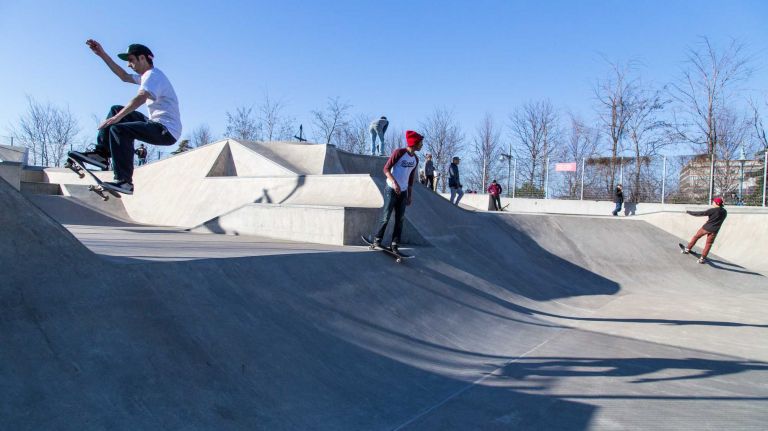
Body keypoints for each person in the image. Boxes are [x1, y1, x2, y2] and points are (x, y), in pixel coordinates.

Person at [70, 40, 182, 194]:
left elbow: (141, 97)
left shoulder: (153, 76)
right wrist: (102, 54)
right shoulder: (145, 77)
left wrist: (118, 118)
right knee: (116, 110)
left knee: (119, 129)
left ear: (142, 58)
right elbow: (123, 76)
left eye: (131, 60)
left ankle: (125, 182)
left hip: (166, 131)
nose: (129, 65)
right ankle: (101, 155)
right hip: (155, 124)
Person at [371, 130, 423, 254]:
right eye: (420, 143)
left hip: (404, 192)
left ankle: (394, 245)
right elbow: (386, 169)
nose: (422, 145)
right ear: (414, 143)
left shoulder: (415, 159)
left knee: (400, 219)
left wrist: (409, 195)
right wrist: (394, 183)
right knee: (386, 216)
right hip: (391, 189)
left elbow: (411, 178)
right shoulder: (399, 153)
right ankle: (377, 240)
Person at [681, 197, 728, 264]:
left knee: (696, 237)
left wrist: (688, 212)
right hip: (715, 230)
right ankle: (702, 258)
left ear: (717, 203)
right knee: (708, 244)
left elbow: (700, 213)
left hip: (706, 228)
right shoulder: (724, 212)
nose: (712, 203)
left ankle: (687, 249)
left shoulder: (713, 210)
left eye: (713, 202)